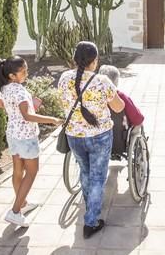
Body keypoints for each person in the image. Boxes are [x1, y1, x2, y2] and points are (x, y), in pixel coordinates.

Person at [58, 41, 125, 239]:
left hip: (74, 136)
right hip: (100, 136)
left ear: (74, 59)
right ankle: (91, 221)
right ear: (94, 61)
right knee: (97, 178)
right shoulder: (103, 81)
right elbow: (119, 107)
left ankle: (90, 207)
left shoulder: (63, 78)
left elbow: (63, 100)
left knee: (85, 173)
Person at [0, 56, 62, 228]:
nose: (26, 73)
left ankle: (22, 204)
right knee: (31, 173)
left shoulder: (5, 88)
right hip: (26, 137)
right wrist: (52, 120)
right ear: (12, 75)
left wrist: (28, 105)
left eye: (26, 70)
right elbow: (27, 116)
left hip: (12, 134)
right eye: (23, 71)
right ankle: (15, 211)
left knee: (18, 171)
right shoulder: (20, 91)